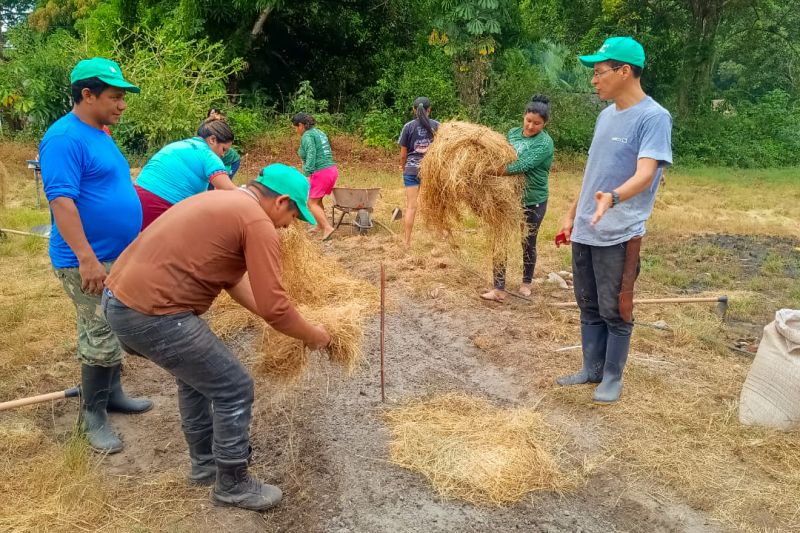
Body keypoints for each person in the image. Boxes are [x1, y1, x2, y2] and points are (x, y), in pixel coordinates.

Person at [102, 163, 331, 512]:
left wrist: (276, 319)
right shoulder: (256, 221)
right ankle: (233, 485)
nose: (289, 226)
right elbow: (277, 307)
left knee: (197, 379)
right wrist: (314, 335)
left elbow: (234, 282)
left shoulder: (223, 202)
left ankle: (206, 464)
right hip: (153, 313)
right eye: (293, 216)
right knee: (234, 388)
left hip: (121, 302)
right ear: (281, 201)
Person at [39, 57, 152, 453]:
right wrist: (86, 257)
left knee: (112, 326)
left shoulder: (99, 132)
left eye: (123, 97)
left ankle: (114, 394)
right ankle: (93, 417)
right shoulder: (64, 138)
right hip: (86, 261)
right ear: (87, 95)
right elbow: (62, 202)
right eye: (115, 97)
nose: (122, 105)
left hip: (113, 255)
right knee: (100, 331)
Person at [555, 36, 673, 403]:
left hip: (619, 231)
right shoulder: (605, 116)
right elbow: (595, 171)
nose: (594, 80)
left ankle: (612, 377)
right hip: (587, 227)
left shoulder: (654, 117)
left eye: (599, 72)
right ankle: (590, 370)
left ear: (624, 72)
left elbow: (646, 173)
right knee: (587, 302)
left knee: (615, 308)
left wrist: (615, 197)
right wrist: (573, 213)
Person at [481, 95, 555, 302]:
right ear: (524, 117)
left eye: (537, 123)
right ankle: (498, 288)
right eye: (528, 120)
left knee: (528, 241)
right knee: (500, 239)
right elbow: (501, 155)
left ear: (545, 123)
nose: (531, 126)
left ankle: (526, 282)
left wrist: (491, 171)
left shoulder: (544, 143)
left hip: (533, 199)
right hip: (508, 198)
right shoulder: (513, 133)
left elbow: (521, 166)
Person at [134, 113, 238, 230]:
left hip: (136, 197)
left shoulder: (182, 145)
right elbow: (230, 191)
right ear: (213, 140)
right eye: (224, 149)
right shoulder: (208, 155)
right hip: (160, 204)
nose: (223, 155)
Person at [398, 96, 439, 246]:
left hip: (411, 170)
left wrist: (404, 167)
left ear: (414, 110)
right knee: (433, 207)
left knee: (411, 207)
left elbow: (403, 154)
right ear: (429, 110)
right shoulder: (437, 126)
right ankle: (436, 243)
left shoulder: (408, 127)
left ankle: (407, 242)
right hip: (431, 171)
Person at [291, 113, 338, 240]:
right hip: (331, 170)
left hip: (321, 171)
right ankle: (320, 225)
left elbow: (311, 153)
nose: (296, 131)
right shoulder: (319, 132)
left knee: (311, 203)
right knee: (318, 200)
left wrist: (307, 172)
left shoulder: (307, 136)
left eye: (296, 127)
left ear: (301, 125)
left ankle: (327, 228)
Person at [208, 109, 241, 178]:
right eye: (212, 113)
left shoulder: (222, 130)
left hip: (231, 161)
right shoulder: (206, 130)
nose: (214, 115)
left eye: (216, 113)